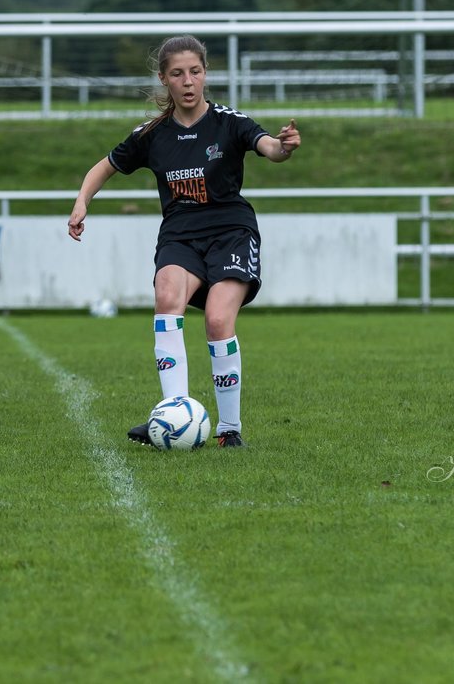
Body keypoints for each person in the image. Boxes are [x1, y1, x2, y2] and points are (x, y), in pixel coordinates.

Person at [68, 35, 301, 448]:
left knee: (216, 321)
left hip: (232, 232)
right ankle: (174, 413)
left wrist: (282, 147)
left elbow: (267, 147)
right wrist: (82, 201)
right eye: (178, 74)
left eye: (195, 71)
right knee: (167, 295)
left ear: (205, 74)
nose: (188, 81)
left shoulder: (230, 121)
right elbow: (103, 167)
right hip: (180, 234)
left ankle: (230, 431)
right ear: (164, 79)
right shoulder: (151, 134)